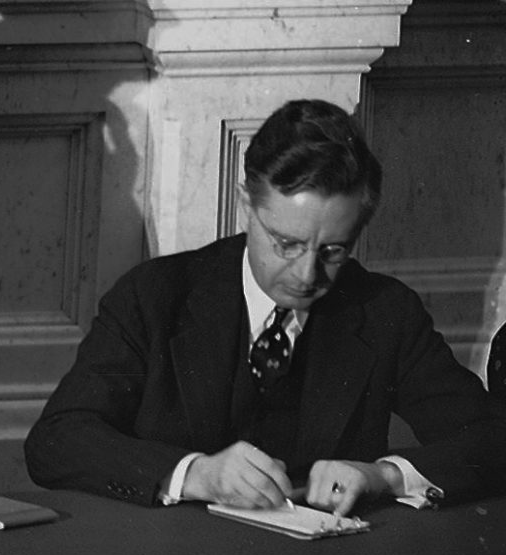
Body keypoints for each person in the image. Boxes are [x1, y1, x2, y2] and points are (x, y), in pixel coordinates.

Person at [27, 99, 506, 511]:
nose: (307, 275)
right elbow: (56, 440)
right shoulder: (153, 296)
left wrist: (384, 475)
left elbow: (492, 438)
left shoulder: (386, 312)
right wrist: (194, 474)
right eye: (287, 243)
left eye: (333, 251)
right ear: (246, 207)